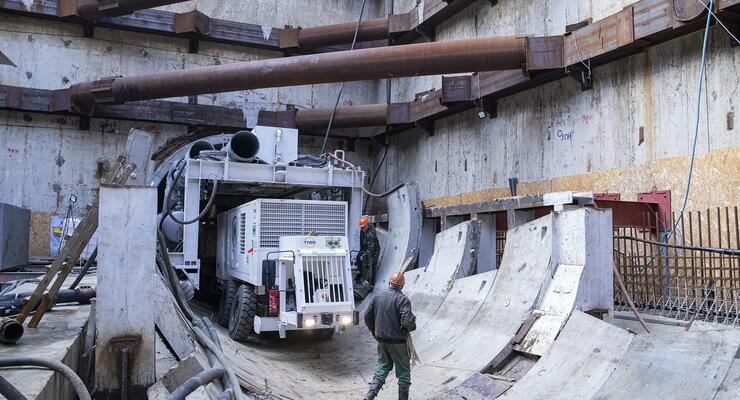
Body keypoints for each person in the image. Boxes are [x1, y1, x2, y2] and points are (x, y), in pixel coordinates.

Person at [363, 272, 417, 400]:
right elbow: (408, 322)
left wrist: (375, 331)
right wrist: (411, 327)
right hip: (398, 341)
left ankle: (370, 395)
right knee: (404, 372)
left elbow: (367, 316)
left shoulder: (378, 296)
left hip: (381, 339)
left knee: (383, 365)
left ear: (389, 283)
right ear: (402, 285)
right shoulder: (403, 299)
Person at [358, 216, 380, 290]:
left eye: (363, 227)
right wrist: (361, 254)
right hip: (365, 249)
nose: (362, 229)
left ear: (367, 225)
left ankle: (371, 284)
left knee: (371, 265)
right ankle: (363, 277)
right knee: (358, 260)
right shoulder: (363, 231)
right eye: (361, 227)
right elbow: (362, 243)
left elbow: (371, 249)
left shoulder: (371, 234)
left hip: (373, 252)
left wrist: (364, 255)